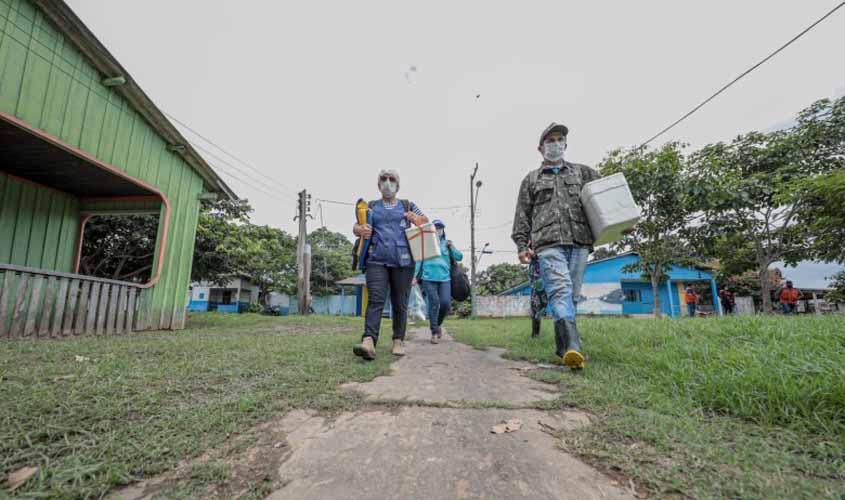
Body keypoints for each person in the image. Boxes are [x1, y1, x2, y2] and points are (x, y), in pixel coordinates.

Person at [511, 123, 601, 370]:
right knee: (560, 291)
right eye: (550, 140)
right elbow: (522, 215)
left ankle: (565, 348)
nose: (555, 143)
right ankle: (573, 347)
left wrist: (621, 222)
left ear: (566, 144)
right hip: (548, 243)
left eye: (559, 139)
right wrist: (522, 245)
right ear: (540, 148)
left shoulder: (584, 173)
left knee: (571, 296)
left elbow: (606, 198)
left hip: (580, 241)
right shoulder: (531, 179)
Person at [352, 169, 428, 360]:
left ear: (398, 185)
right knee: (376, 300)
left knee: (399, 303)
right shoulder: (370, 206)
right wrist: (361, 230)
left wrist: (414, 218)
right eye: (383, 180)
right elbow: (355, 227)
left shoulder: (407, 205)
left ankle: (398, 340)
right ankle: (368, 340)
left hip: (403, 261)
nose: (387, 183)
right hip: (376, 259)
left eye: (391, 179)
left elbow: (425, 222)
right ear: (378, 185)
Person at [414, 219, 463, 343]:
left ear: (443, 230)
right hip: (428, 278)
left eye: (440, 228)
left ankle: (438, 324)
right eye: (435, 228)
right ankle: (434, 333)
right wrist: (414, 276)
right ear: (431, 230)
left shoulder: (447, 243)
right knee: (434, 302)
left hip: (445, 278)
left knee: (446, 304)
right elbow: (419, 261)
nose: (438, 230)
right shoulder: (425, 244)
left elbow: (459, 257)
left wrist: (452, 247)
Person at [528, 253, 548, 338]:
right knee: (536, 303)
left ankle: (568, 335)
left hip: (555, 261)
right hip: (537, 263)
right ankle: (535, 334)